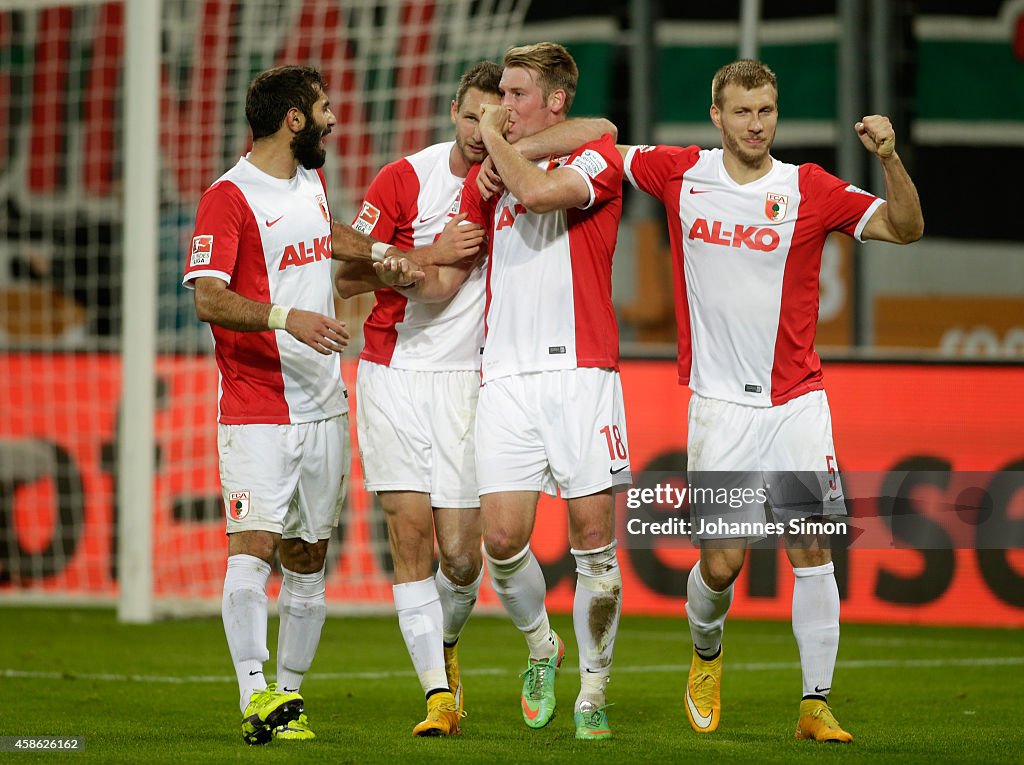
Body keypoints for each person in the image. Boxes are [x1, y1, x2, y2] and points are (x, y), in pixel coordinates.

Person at [619, 59, 924, 742]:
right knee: (721, 564)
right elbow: (600, 160)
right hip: (721, 407)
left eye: (766, 111)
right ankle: (704, 653)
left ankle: (815, 704)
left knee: (811, 548)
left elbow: (906, 228)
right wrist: (529, 133)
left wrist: (891, 158)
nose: (756, 124)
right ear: (717, 117)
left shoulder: (809, 187)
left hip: (796, 400)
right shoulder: (678, 172)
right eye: (743, 111)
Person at [334, 60, 616, 737]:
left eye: (500, 113)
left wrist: (501, 146)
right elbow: (352, 275)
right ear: (454, 107)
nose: (481, 128)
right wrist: (417, 256)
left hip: (473, 383)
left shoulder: (505, 173)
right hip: (394, 374)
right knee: (411, 539)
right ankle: (438, 689)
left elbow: (602, 126)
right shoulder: (408, 177)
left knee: (464, 556)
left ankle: (465, 644)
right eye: (473, 115)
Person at [459, 42, 630, 741]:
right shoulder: (491, 172)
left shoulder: (595, 164)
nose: (502, 106)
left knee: (595, 547)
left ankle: (594, 688)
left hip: (581, 374)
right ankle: (540, 645)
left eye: (518, 94)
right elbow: (496, 184)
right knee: (499, 539)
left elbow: (563, 167)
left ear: (556, 100)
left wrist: (499, 141)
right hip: (504, 375)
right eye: (500, 93)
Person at [183, 65, 351, 746]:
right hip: (256, 404)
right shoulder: (227, 197)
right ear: (293, 119)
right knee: (253, 549)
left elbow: (328, 237)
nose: (333, 117)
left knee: (308, 554)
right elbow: (208, 297)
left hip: (325, 403)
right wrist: (289, 317)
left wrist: (398, 256)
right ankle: (254, 693)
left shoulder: (311, 182)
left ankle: (291, 697)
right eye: (324, 107)